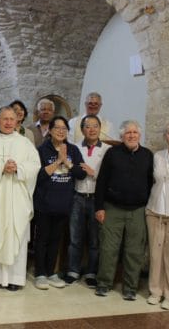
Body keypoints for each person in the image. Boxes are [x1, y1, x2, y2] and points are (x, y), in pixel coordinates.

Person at [0, 106, 40, 291]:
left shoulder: (25, 143)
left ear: (17, 121)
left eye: (12, 119)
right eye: (5, 119)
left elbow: (35, 165)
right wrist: (0, 168)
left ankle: (14, 278)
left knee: (14, 234)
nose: (9, 122)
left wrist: (18, 168)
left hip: (16, 198)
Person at [94, 120, 153, 301]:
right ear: (121, 136)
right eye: (128, 133)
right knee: (108, 249)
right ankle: (103, 283)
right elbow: (101, 181)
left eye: (135, 132)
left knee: (134, 251)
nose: (132, 135)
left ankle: (130, 288)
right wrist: (99, 208)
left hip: (138, 211)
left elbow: (151, 183)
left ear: (139, 135)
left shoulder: (148, 155)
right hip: (113, 208)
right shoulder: (112, 153)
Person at [33, 116, 86, 290]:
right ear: (50, 131)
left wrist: (67, 162)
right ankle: (40, 273)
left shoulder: (73, 149)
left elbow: (81, 174)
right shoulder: (42, 149)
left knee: (56, 239)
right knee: (42, 239)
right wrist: (58, 161)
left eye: (64, 129)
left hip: (64, 202)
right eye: (58, 128)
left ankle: (51, 272)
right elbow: (38, 176)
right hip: (44, 202)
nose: (61, 131)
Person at [63, 115, 111, 288]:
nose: (91, 129)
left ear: (100, 128)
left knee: (94, 239)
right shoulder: (75, 148)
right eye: (88, 126)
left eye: (95, 126)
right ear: (82, 129)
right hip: (77, 196)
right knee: (75, 237)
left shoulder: (107, 150)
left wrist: (93, 173)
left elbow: (110, 177)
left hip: (97, 200)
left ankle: (91, 272)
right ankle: (73, 270)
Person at [145, 122, 169, 310]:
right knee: (155, 254)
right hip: (154, 211)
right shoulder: (158, 156)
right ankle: (155, 291)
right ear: (166, 136)